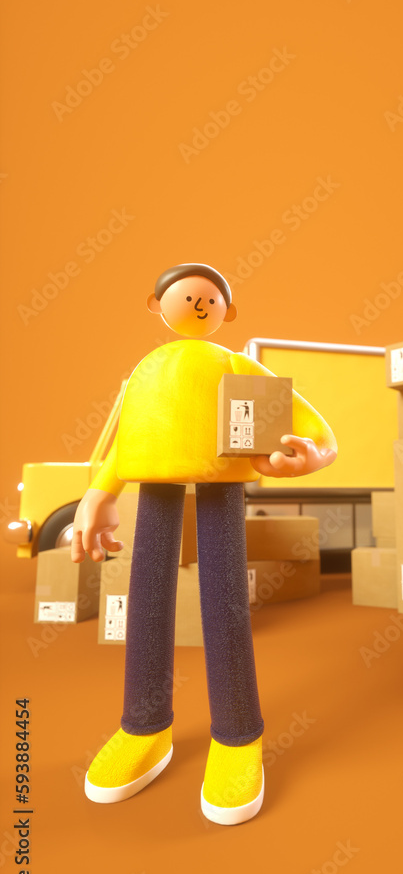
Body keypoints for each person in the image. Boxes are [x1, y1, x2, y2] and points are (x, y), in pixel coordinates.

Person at [71, 262, 337, 824]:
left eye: (208, 299)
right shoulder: (146, 371)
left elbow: (315, 430)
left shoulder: (238, 365)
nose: (197, 305)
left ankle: (238, 736)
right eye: (186, 296)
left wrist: (311, 455)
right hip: (156, 485)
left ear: (227, 313)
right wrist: (98, 492)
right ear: (156, 304)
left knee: (225, 605)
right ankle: (144, 727)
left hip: (224, 485)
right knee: (147, 602)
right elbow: (132, 437)